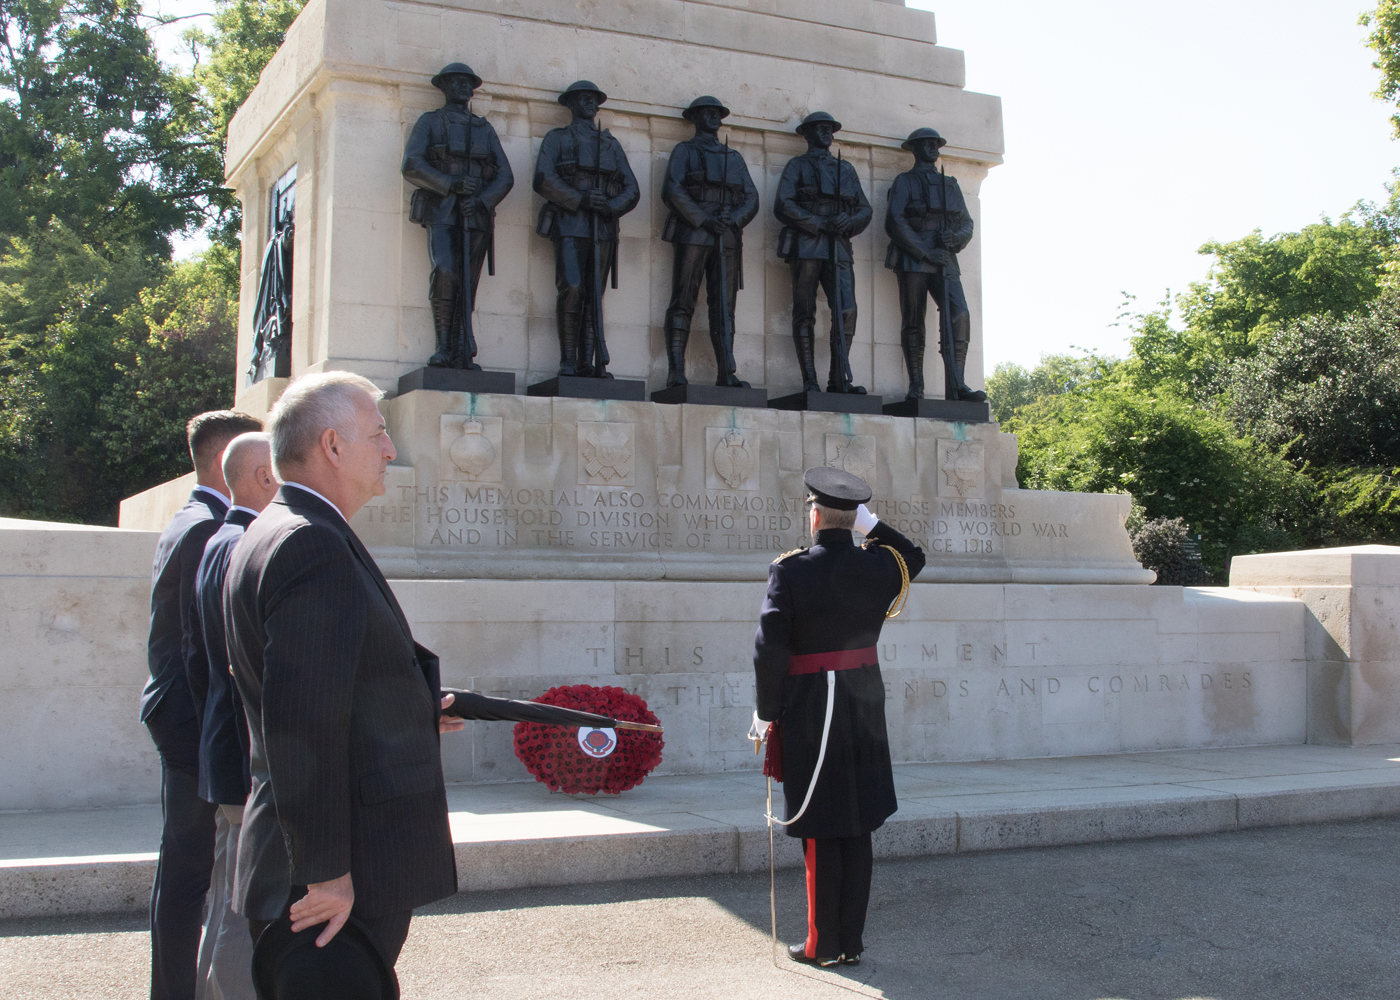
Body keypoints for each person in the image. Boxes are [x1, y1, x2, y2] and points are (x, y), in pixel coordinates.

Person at [223, 371, 466, 989]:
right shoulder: (311, 544)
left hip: (321, 861)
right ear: (333, 446)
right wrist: (326, 871)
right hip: (331, 880)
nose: (390, 449)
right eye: (379, 434)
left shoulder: (283, 529)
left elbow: (328, 683)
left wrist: (409, 707)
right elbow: (300, 717)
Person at [751, 467, 925, 967]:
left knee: (822, 824)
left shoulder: (791, 570)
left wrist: (768, 711)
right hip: (864, 701)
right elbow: (916, 556)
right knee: (856, 822)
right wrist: (873, 528)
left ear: (815, 515)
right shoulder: (880, 565)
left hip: (812, 705)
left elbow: (770, 648)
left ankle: (821, 944)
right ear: (854, 518)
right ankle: (850, 941)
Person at [141, 409, 263, 1000]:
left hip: (184, 716)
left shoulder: (195, 519)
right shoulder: (204, 529)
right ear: (227, 461)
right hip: (191, 722)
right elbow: (200, 646)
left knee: (191, 870)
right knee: (190, 872)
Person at [186, 433, 279, 999]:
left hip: (226, 748)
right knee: (242, 909)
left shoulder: (222, 537)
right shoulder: (242, 541)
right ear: (266, 477)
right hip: (243, 757)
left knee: (226, 904)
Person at [402, 62, 514, 369]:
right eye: (456, 82)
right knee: (446, 271)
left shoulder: (483, 128)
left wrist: (481, 201)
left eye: (468, 83)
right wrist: (450, 184)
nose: (463, 87)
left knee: (468, 281)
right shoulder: (430, 121)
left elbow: (505, 175)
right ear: (444, 86)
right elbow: (412, 163)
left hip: (474, 214)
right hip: (442, 209)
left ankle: (462, 346)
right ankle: (444, 346)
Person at [533, 80, 640, 378]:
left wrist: (608, 205)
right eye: (583, 98)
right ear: (571, 103)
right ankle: (568, 360)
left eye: (593, 99)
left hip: (602, 227)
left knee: (594, 294)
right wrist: (579, 198)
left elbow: (631, 189)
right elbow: (543, 177)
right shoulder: (557, 138)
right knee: (572, 288)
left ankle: (588, 361)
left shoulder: (610, 144)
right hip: (569, 223)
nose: (590, 103)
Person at [660, 95, 759, 389]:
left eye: (717, 113)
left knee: (725, 306)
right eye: (707, 112)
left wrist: (734, 219)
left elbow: (751, 197)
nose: (713, 117)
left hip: (727, 235)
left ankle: (726, 371)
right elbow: (672, 190)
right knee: (683, 299)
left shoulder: (734, 158)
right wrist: (703, 219)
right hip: (694, 231)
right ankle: (676, 371)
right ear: (695, 117)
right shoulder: (684, 151)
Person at [774, 112, 873, 395]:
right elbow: (783, 204)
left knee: (847, 310)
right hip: (807, 244)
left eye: (830, 128)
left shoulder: (846, 170)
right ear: (807, 134)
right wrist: (818, 223)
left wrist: (849, 222)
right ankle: (809, 381)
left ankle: (839, 379)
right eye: (821, 128)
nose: (827, 132)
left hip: (839, 246)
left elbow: (864, 209)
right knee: (805, 312)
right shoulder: (797, 166)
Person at [884, 127, 985, 403]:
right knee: (914, 321)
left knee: (959, 314)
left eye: (934, 144)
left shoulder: (949, 184)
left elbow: (966, 223)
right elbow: (894, 221)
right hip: (914, 257)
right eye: (925, 144)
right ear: (914, 149)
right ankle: (916, 385)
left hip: (945, 257)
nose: (931, 148)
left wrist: (955, 239)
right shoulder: (904, 181)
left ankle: (957, 385)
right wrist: (925, 252)